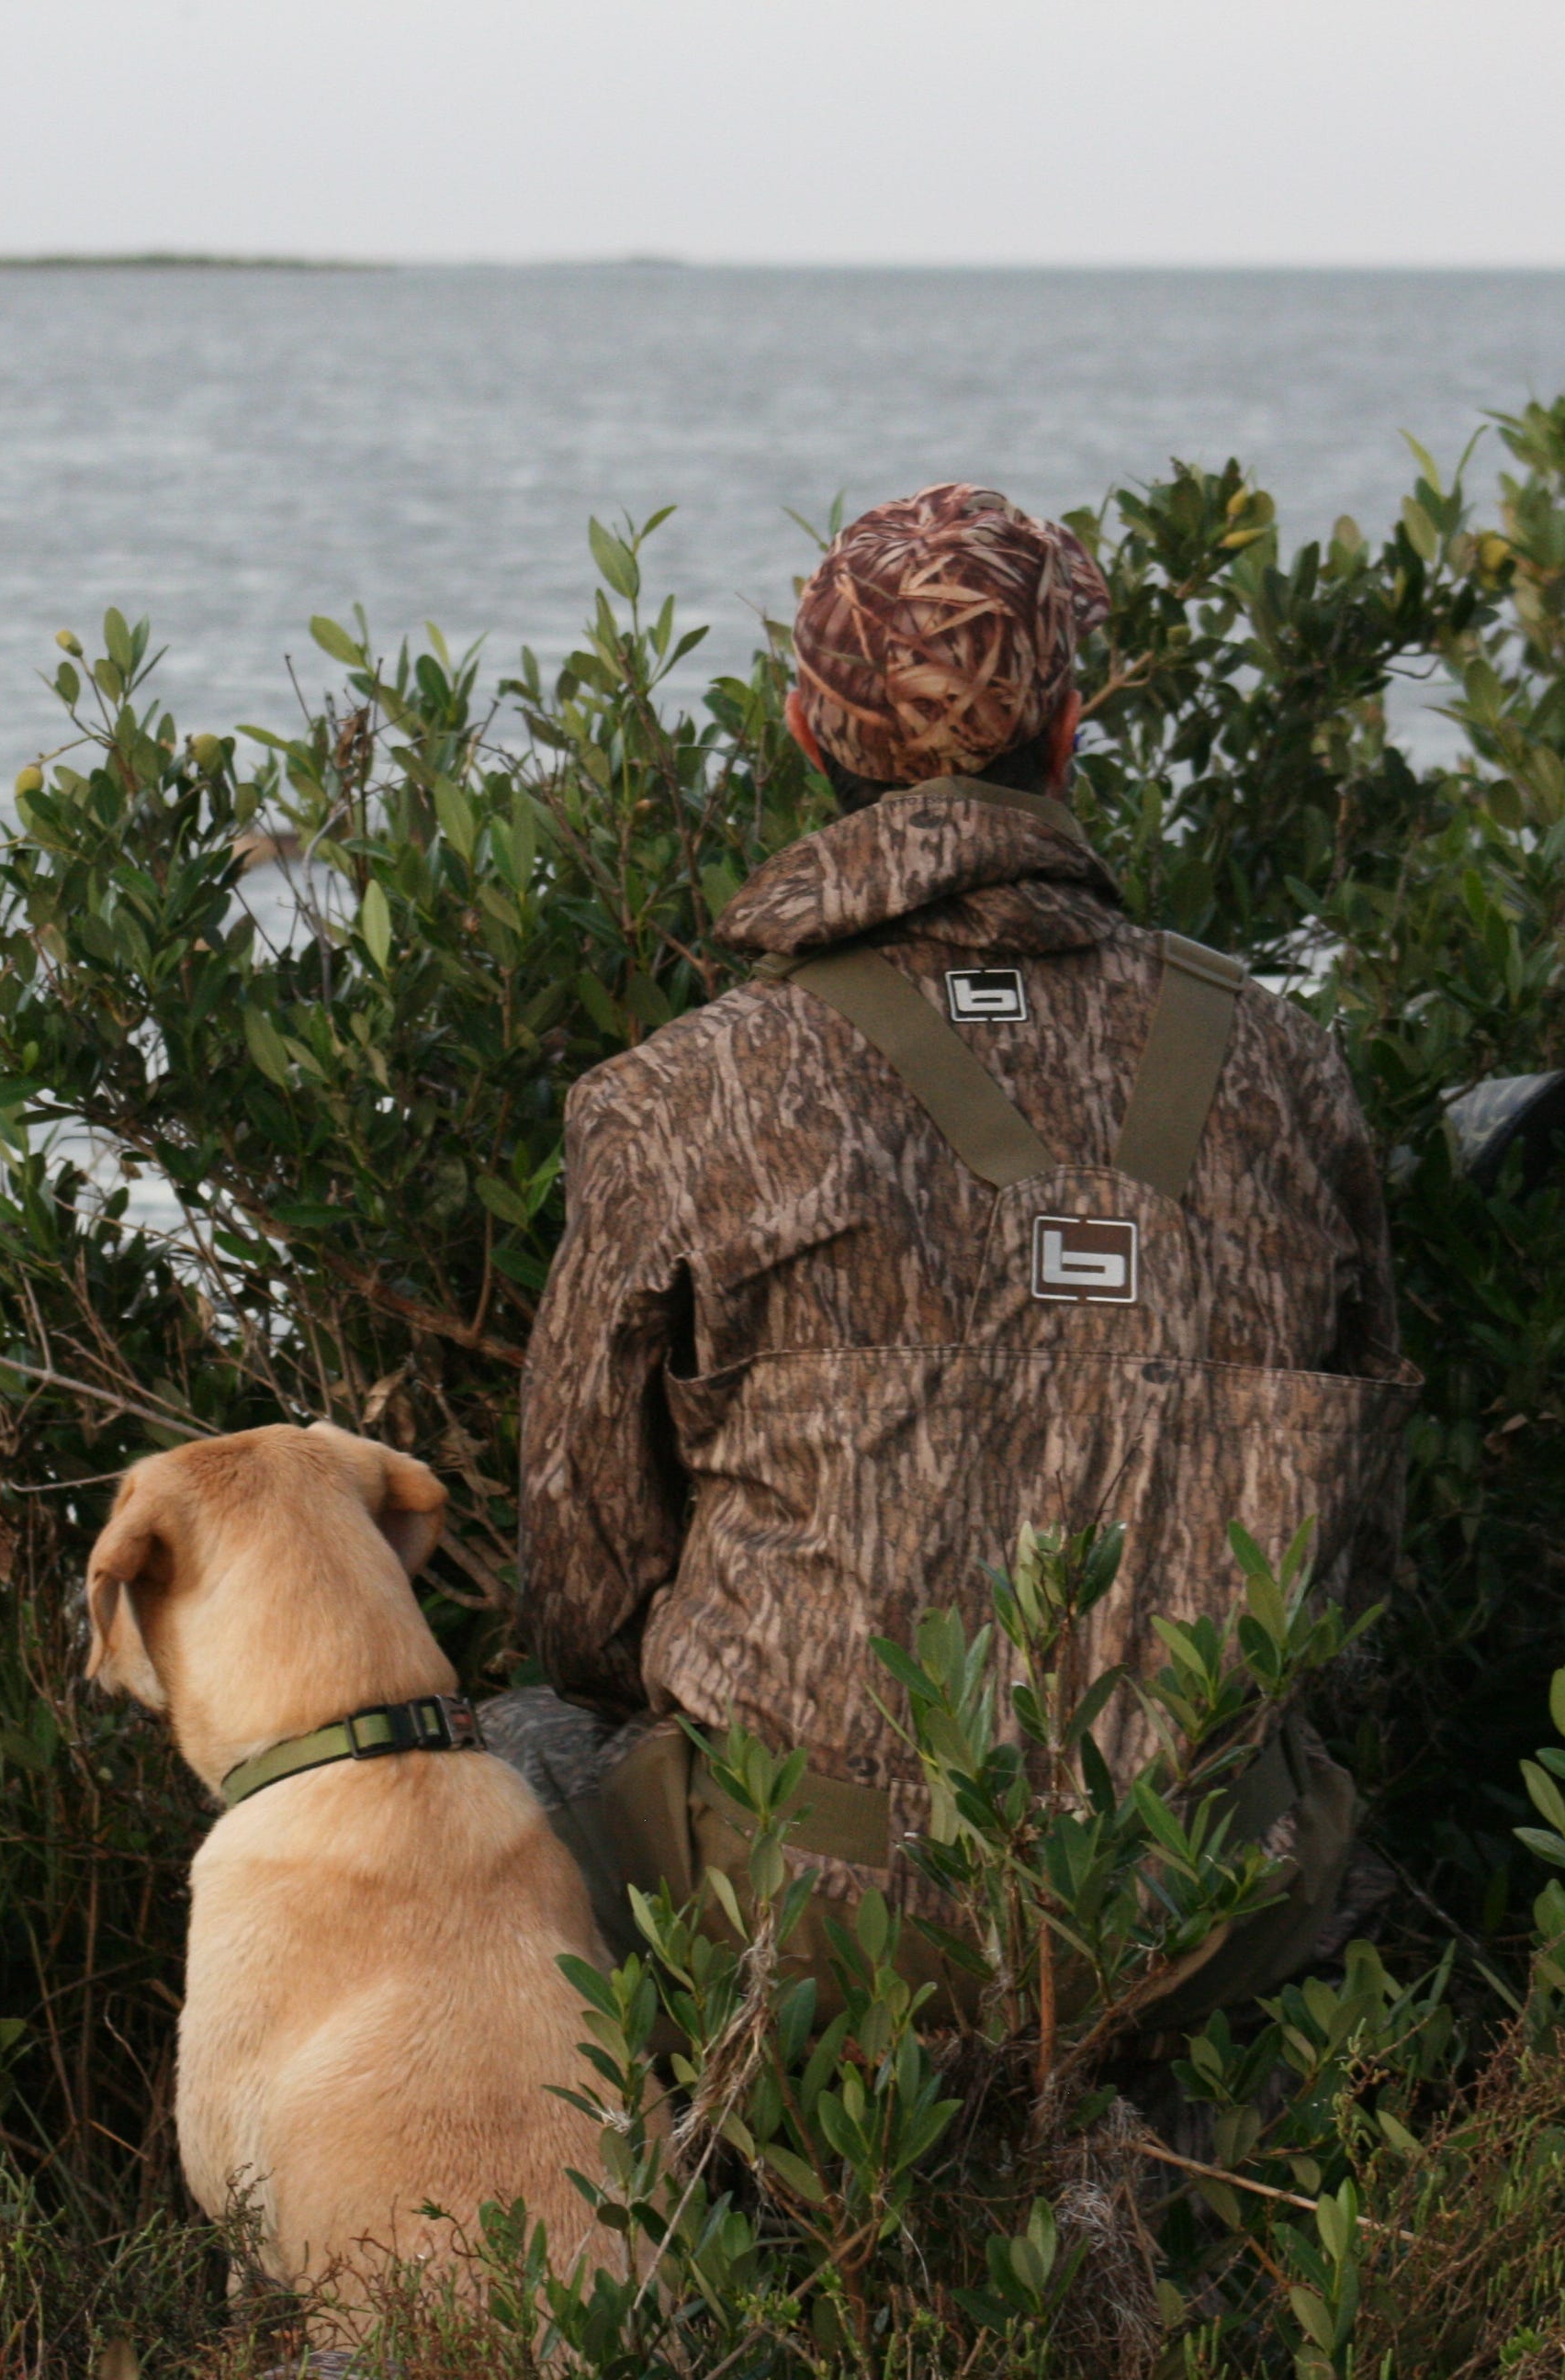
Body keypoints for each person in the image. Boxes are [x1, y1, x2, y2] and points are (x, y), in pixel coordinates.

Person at [511, 481, 1413, 2020]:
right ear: (1065, 738)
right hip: (1198, 1917)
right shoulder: (1284, 1069)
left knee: (513, 1746)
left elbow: (587, 1597)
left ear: (809, 734)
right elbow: (1368, 1563)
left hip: (807, 1926)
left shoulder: (678, 1097)